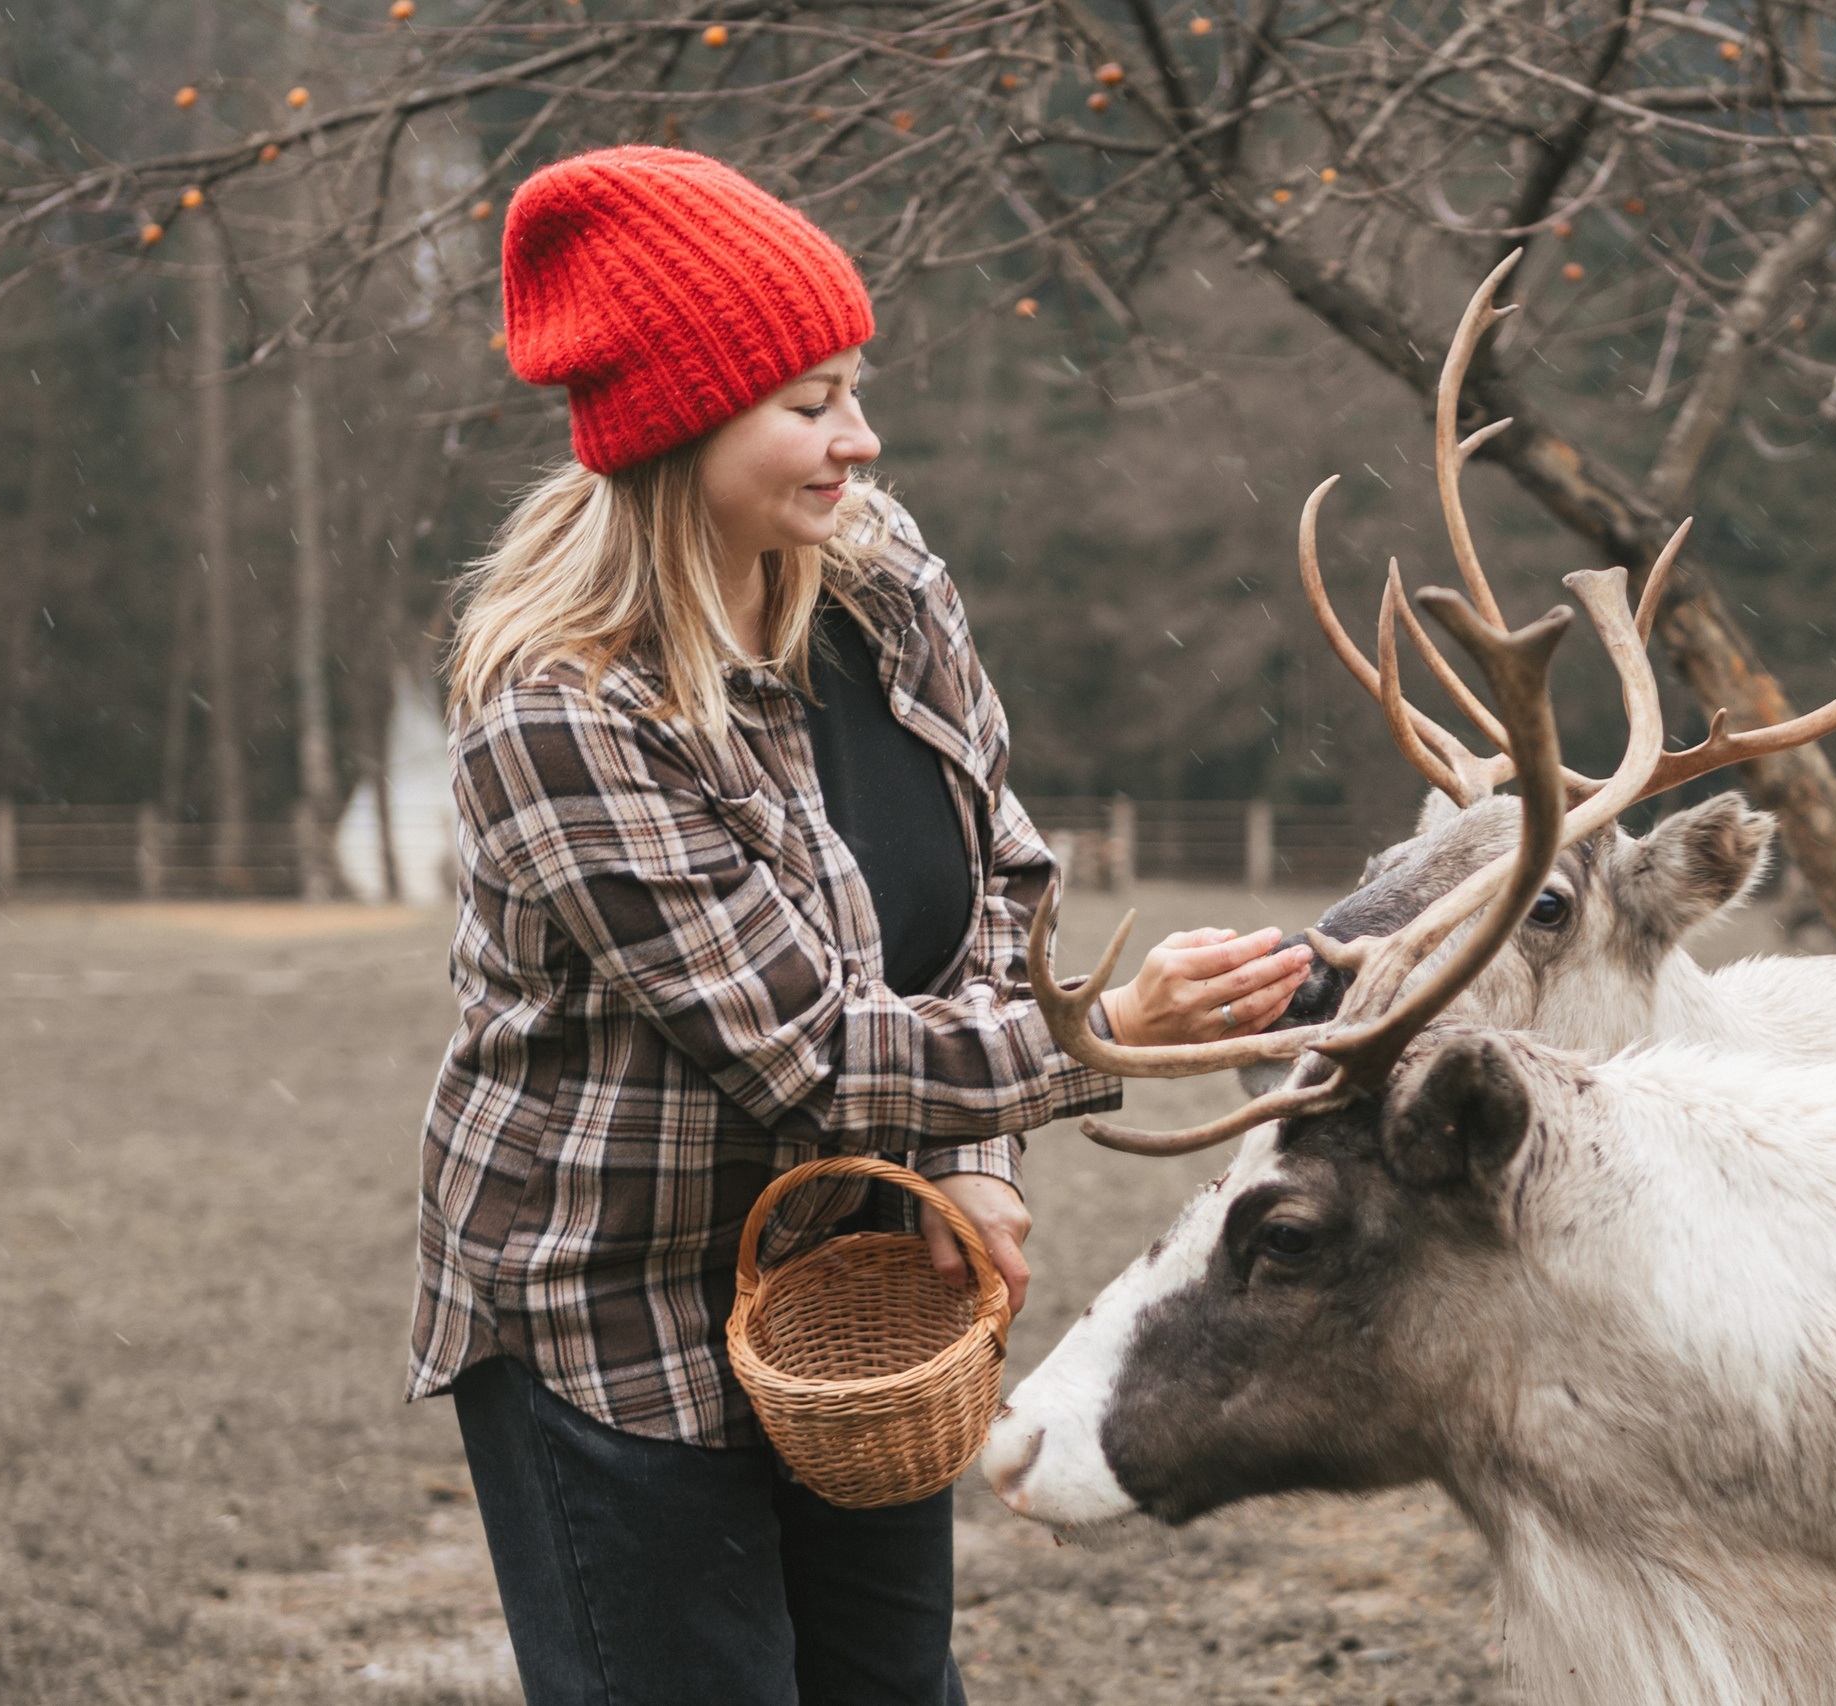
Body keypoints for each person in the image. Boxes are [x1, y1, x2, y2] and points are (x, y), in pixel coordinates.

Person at [406, 146, 1312, 1706]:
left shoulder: (879, 578)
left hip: (875, 1279)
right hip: (616, 1307)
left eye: (855, 388)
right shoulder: (560, 708)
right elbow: (810, 1053)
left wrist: (968, 1160)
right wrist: (1109, 1037)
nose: (861, 438)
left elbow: (1000, 880)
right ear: (680, 427)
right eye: (810, 402)